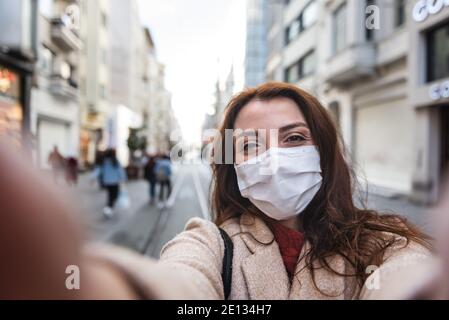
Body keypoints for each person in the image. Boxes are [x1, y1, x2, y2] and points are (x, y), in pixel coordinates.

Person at [2, 83, 448, 300]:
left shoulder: (381, 241)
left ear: (325, 152)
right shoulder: (210, 244)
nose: (272, 158)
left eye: (294, 138)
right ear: (233, 166)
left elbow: (404, 274)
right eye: (251, 145)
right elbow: (181, 282)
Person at [93, 149, 126, 218]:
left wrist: (92, 177)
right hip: (114, 182)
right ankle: (108, 208)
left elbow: (98, 170)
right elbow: (120, 171)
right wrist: (123, 178)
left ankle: (109, 208)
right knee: (114, 196)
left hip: (107, 182)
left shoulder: (104, 162)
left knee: (111, 195)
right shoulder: (115, 161)